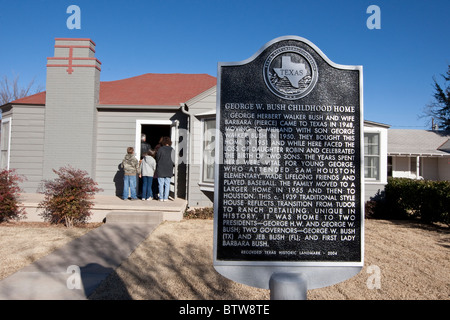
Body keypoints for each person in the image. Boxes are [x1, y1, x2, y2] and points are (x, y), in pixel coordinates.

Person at [155, 136, 174, 202]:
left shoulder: (160, 149)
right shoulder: (172, 149)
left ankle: (161, 197)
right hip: (169, 168)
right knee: (167, 184)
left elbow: (157, 158)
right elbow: (174, 160)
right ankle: (166, 197)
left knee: (161, 184)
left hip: (161, 168)